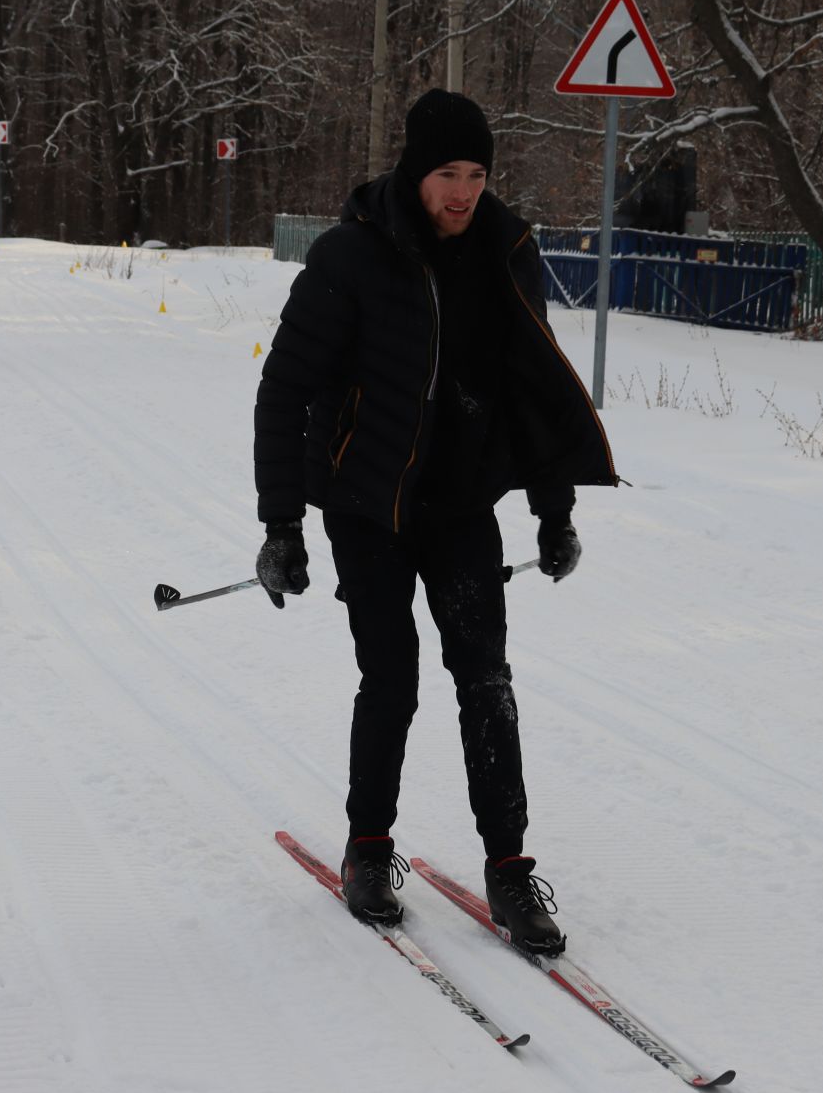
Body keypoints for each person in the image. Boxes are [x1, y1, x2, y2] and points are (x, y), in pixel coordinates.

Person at [252, 89, 619, 955]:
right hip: (367, 508)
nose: (463, 192)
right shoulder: (349, 257)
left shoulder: (502, 250)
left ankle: (509, 869)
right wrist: (282, 526)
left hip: (459, 505)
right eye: (447, 174)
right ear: (415, 172)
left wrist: (553, 510)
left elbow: (531, 389)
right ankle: (369, 851)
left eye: (478, 174)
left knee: (485, 679)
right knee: (394, 680)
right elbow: (283, 392)